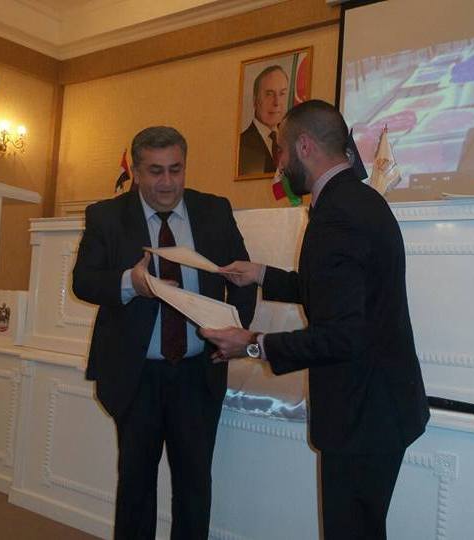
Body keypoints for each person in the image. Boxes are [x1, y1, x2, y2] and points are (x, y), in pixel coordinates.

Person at [203, 100, 430, 540]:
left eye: (282, 151)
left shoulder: (336, 218)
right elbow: (335, 292)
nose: (280, 164)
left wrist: (252, 343)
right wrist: (261, 274)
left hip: (361, 416)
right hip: (383, 407)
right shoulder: (362, 200)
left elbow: (341, 335)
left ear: (304, 146)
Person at [72, 126, 257, 540]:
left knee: (194, 486)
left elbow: (243, 278)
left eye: (176, 169)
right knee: (135, 485)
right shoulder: (106, 216)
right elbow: (83, 281)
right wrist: (130, 283)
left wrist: (235, 332)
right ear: (137, 172)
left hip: (197, 372)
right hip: (136, 375)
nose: (167, 182)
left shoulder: (214, 211)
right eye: (155, 171)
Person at [238, 65, 289, 176]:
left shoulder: (292, 144)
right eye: (269, 94)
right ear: (255, 100)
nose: (277, 102)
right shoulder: (241, 144)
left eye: (282, 94)